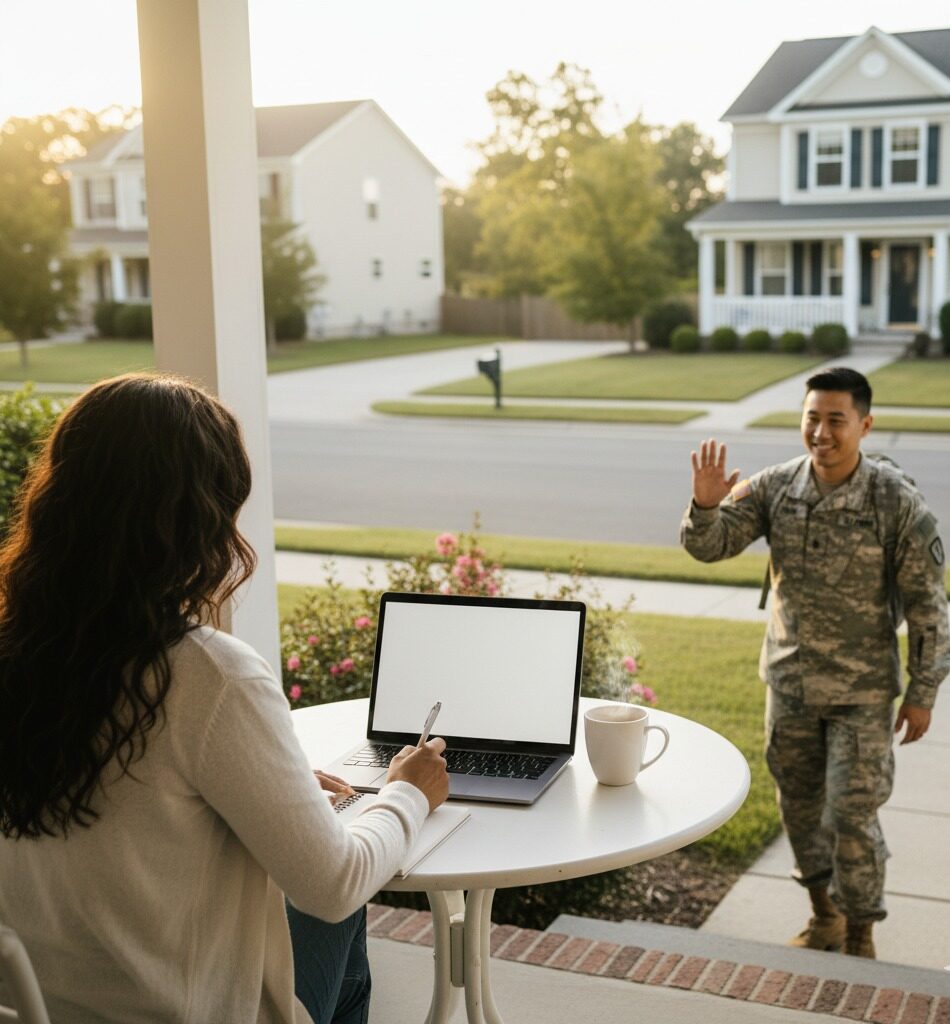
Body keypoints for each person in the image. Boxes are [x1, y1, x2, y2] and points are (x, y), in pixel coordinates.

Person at [0, 373, 449, 1023]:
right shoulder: (208, 675)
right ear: (198, 523)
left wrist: (264, 792)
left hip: (40, 1005)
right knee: (345, 912)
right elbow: (335, 883)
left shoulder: (18, 647)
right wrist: (410, 791)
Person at [680, 366, 949, 959]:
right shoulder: (777, 487)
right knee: (800, 812)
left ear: (865, 424)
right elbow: (711, 545)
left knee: (851, 815)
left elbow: (931, 605)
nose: (821, 432)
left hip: (862, 693)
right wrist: (703, 505)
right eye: (812, 417)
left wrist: (923, 692)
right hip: (791, 687)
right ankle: (824, 916)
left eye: (836, 419)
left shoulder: (893, 500)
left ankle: (860, 935)